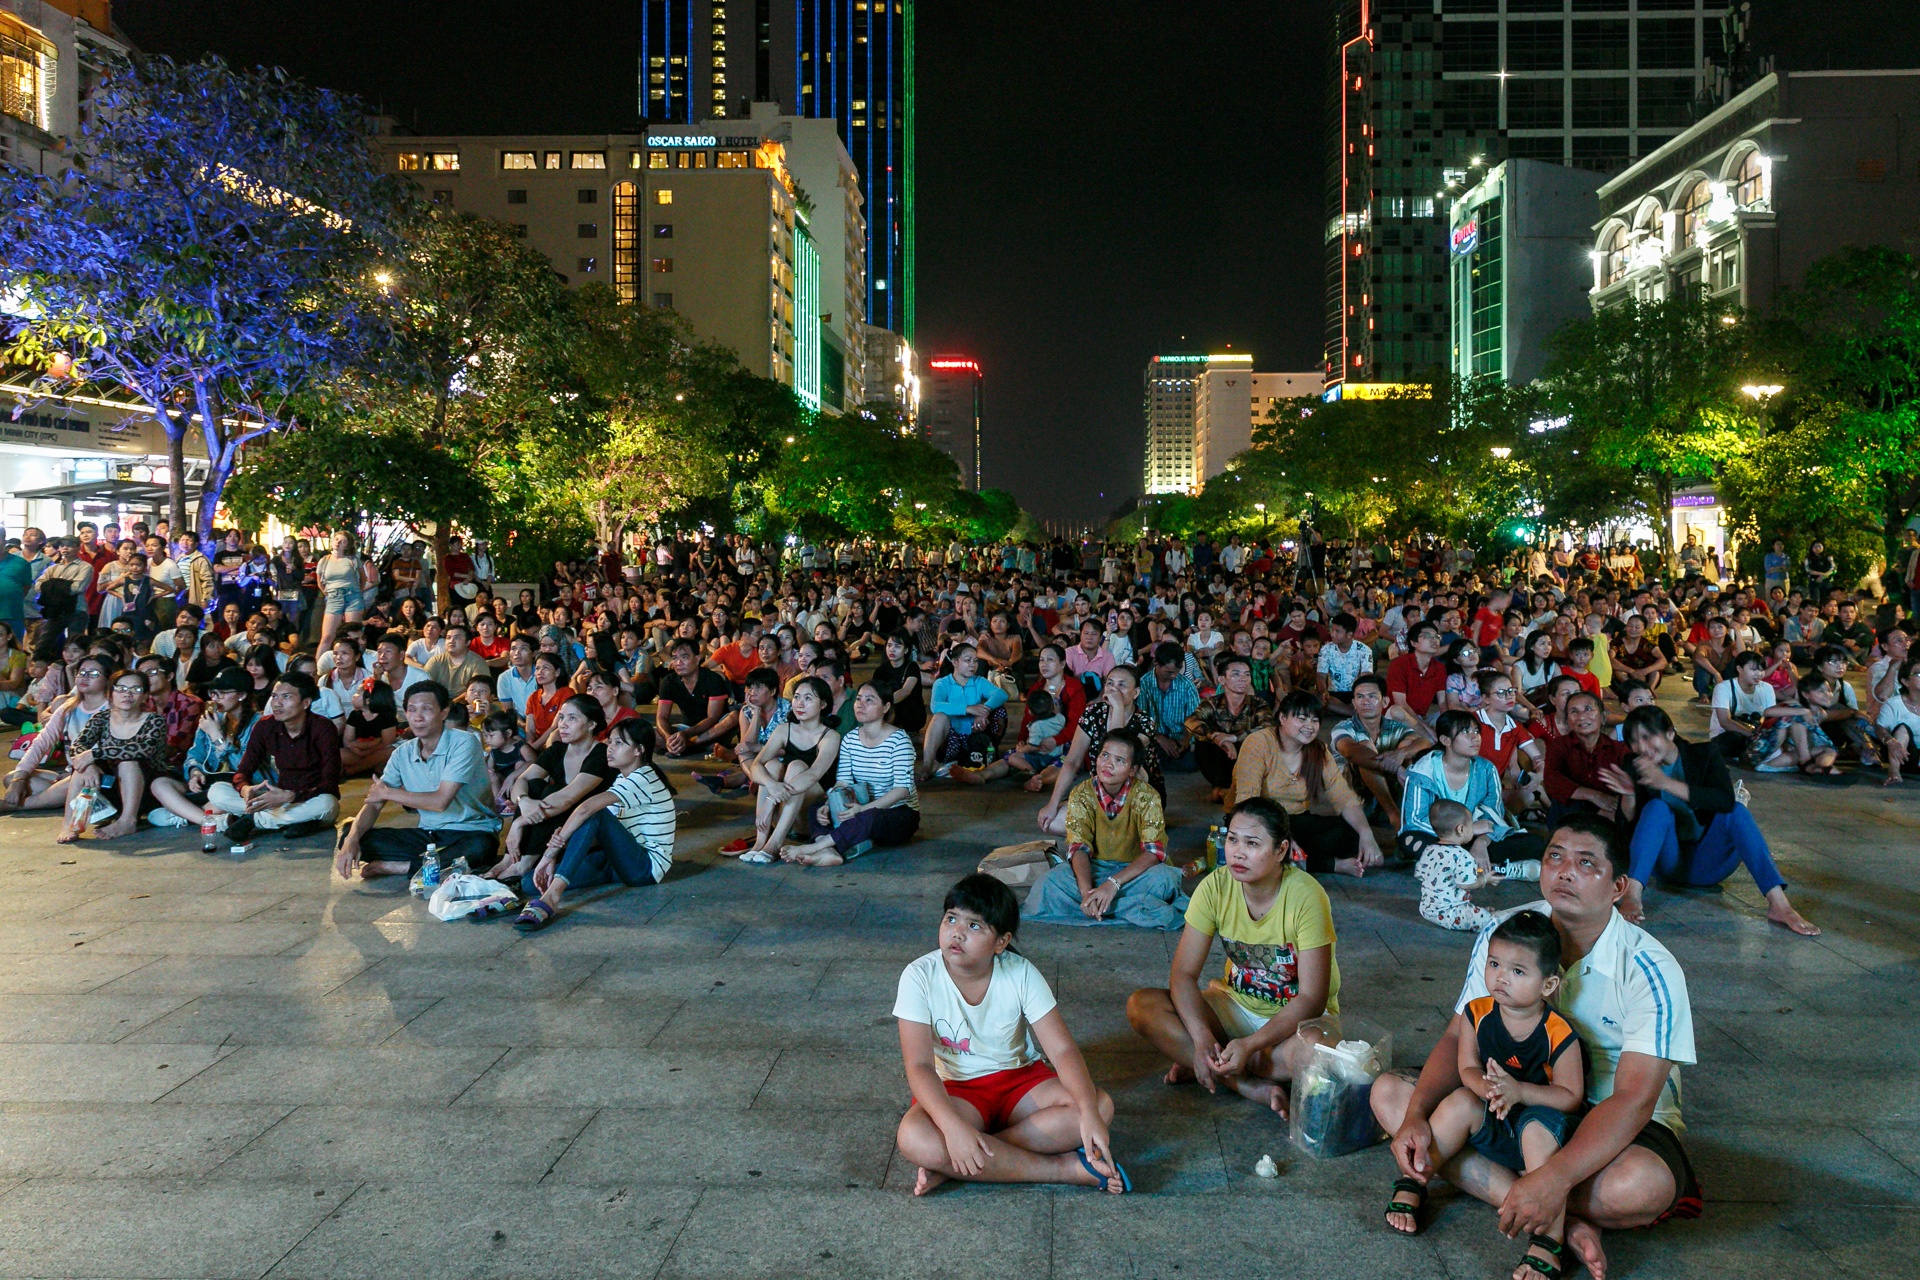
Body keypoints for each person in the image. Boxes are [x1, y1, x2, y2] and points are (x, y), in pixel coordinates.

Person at [1372, 817, 1701, 1280]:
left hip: (1605, 1115)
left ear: (1618, 887)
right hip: (1511, 1096)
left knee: (1640, 1187)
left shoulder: (1650, 967)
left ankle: (1540, 1198)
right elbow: (1455, 1035)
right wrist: (1413, 1118)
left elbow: (1635, 1099)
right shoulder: (1507, 933)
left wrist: (1558, 1175)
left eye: (1586, 863)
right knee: (1390, 1096)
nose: (1565, 871)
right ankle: (1560, 1222)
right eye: (1555, 856)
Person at [893, 873, 1127, 1196]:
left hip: (1020, 1082)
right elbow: (919, 1066)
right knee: (913, 1136)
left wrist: (1087, 1114)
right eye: (951, 919)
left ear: (1001, 942)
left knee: (1100, 1107)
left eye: (974, 926)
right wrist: (952, 1127)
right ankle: (1062, 1168)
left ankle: (962, 1164)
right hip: (956, 1091)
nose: (957, 933)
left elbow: (1062, 1050)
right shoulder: (918, 976)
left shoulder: (1020, 973)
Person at [1383, 911, 1585, 1280]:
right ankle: (1416, 1177)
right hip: (1496, 1110)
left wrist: (1519, 1091)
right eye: (1494, 964)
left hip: (1541, 1123)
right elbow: (1467, 1070)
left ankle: (1547, 1241)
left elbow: (1571, 1096)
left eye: (1518, 971)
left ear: (1548, 984)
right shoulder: (1477, 1013)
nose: (1501, 977)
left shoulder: (1558, 1032)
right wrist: (1491, 1091)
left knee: (1537, 1132)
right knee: (1459, 1101)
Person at [1126, 799, 1339, 1115]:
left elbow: (1311, 997)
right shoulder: (1215, 886)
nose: (1237, 852)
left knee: (1318, 1050)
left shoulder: (1307, 896)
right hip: (1234, 1006)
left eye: (1252, 843)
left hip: (1293, 1022)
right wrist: (1200, 1040)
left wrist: (1250, 1045)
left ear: (1281, 851)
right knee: (1142, 1006)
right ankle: (1243, 1083)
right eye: (1232, 839)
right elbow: (1183, 974)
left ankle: (1218, 1065)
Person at [1601, 705, 1819, 936]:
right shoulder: (1634, 766)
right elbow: (1629, 830)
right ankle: (1632, 894)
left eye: (1648, 736)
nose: (1641, 747)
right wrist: (1629, 795)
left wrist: (1665, 783)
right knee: (1656, 808)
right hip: (1667, 864)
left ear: (1670, 733)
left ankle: (1779, 905)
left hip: (1710, 864)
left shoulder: (1703, 755)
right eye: (1634, 741)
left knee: (1736, 811)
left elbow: (1724, 801)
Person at [511, 719, 677, 931]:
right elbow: (596, 832)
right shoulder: (622, 780)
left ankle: (552, 897)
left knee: (593, 814)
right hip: (616, 860)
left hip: (644, 868)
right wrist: (562, 848)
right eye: (610, 742)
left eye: (619, 743)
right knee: (530, 883)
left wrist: (550, 854)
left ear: (639, 750)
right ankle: (550, 888)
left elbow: (586, 810)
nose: (610, 749)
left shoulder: (643, 778)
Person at [1021, 730, 1188, 930]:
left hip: (1133, 874)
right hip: (1095, 869)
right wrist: (1086, 893)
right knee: (1048, 885)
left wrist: (1111, 886)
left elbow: (1153, 853)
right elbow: (1078, 847)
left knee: (1164, 880)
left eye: (1119, 760)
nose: (1108, 764)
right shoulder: (1082, 793)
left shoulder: (1147, 797)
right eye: (1105, 755)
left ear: (1133, 769)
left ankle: (1100, 906)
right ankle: (1119, 907)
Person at [335, 681, 502, 879]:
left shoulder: (464, 743)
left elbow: (440, 802)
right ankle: (434, 864)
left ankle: (400, 867)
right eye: (412, 710)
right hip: (429, 834)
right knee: (350, 833)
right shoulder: (402, 752)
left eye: (427, 710)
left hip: (470, 831)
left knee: (481, 848)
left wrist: (388, 793)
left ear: (444, 713)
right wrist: (352, 839)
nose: (418, 718)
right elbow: (374, 804)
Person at [1231, 692, 1385, 876]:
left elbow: (1343, 796)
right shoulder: (1258, 743)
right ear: (1282, 718)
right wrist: (1282, 837)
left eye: (1314, 721)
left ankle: (1296, 857)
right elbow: (1248, 802)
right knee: (1266, 846)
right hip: (1258, 818)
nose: (1309, 726)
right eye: (1302, 719)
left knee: (1352, 835)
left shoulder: (1318, 750)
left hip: (1297, 820)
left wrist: (1367, 834)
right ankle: (1331, 864)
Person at [781, 682, 922, 866]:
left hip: (899, 815)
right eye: (859, 699)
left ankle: (814, 848)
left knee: (868, 817)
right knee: (816, 807)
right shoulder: (850, 738)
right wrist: (829, 803)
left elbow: (902, 790)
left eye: (869, 700)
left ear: (886, 707)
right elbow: (843, 782)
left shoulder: (899, 741)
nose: (861, 704)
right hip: (860, 806)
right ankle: (829, 851)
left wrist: (863, 809)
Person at [207, 672, 341, 846]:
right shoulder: (265, 726)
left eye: (286, 697)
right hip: (277, 800)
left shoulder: (323, 728)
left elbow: (330, 783)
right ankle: (292, 822)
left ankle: (253, 821)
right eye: (274, 696)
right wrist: (245, 789)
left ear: (306, 703)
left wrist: (291, 796)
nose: (277, 703)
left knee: (328, 804)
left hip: (309, 799)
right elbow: (243, 770)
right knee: (217, 790)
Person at [493, 695, 614, 880]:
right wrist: (522, 800)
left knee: (552, 791)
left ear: (591, 724)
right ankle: (510, 859)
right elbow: (522, 780)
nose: (563, 724)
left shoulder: (601, 755)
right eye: (562, 717)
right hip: (551, 827)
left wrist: (518, 823)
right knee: (533, 786)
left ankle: (525, 862)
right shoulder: (557, 750)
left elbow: (569, 797)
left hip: (583, 827)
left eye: (572, 718)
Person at [733, 677, 841, 865]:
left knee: (797, 766)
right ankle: (760, 842)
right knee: (772, 766)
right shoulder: (785, 729)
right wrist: (771, 785)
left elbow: (813, 774)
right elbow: (757, 765)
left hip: (813, 815)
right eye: (797, 697)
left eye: (808, 698)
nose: (800, 703)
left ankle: (774, 844)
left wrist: (771, 799)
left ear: (823, 704)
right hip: (784, 809)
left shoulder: (830, 735)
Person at [64, 668, 170, 841]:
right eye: (120, 689)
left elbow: (143, 749)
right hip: (112, 787)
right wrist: (89, 764)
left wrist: (95, 754)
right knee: (81, 768)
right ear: (110, 694)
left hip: (147, 789)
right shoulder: (102, 717)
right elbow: (78, 745)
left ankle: (128, 821)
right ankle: (71, 824)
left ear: (144, 696)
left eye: (136, 689)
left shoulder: (154, 720)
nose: (127, 694)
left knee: (128, 762)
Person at [1415, 799, 1536, 933]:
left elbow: (1421, 874)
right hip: (1451, 912)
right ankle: (1491, 919)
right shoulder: (1462, 855)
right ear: (1461, 829)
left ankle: (1478, 912)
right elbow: (1466, 884)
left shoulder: (1429, 850)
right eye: (1471, 825)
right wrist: (1485, 879)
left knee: (1473, 911)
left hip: (1427, 909)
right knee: (1487, 919)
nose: (1473, 829)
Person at [1187, 654, 1273, 802]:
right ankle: (1222, 787)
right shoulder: (1212, 703)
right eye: (1236, 674)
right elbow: (1191, 721)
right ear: (1222, 680)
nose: (1243, 679)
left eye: (1247, 674)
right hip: (1222, 759)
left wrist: (1233, 738)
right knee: (1202, 739)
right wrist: (1217, 738)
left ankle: (1228, 791)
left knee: (1262, 739)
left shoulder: (1258, 703)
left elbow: (1268, 726)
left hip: (1249, 758)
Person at [921, 643, 1010, 778]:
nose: (973, 665)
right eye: (967, 660)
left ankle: (989, 753)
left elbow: (1001, 694)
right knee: (939, 717)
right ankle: (927, 766)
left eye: (975, 661)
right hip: (951, 741)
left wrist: (984, 711)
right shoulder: (942, 683)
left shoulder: (979, 681)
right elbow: (935, 706)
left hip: (975, 738)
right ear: (955, 662)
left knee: (999, 710)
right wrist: (968, 709)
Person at [653, 638, 732, 758]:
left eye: (684, 657)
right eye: (675, 658)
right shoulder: (668, 681)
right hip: (687, 728)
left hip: (713, 730)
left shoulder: (713, 679)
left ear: (696, 658)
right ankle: (685, 746)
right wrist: (668, 737)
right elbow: (661, 716)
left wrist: (686, 734)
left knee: (734, 717)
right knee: (651, 734)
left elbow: (713, 718)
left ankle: (688, 746)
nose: (678, 663)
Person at [1136, 641, 1200, 769]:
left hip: (1179, 737)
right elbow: (1140, 717)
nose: (1174, 676)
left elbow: (1195, 718)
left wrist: (1185, 740)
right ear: (1156, 664)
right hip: (1153, 737)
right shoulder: (1144, 684)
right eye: (1169, 672)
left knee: (1192, 760)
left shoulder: (1187, 686)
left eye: (1177, 671)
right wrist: (1158, 737)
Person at [313, 532, 365, 656]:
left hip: (352, 595)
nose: (338, 542)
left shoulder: (353, 560)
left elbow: (363, 578)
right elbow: (319, 581)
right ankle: (317, 668)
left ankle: (357, 662)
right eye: (336, 539)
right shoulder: (324, 560)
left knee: (353, 635)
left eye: (343, 541)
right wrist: (327, 593)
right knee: (327, 636)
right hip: (333, 596)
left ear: (347, 546)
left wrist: (358, 591)